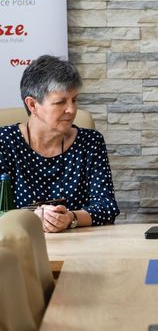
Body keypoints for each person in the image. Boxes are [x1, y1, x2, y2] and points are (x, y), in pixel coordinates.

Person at [0, 55, 120, 232]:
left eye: (74, 100)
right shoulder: (4, 142)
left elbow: (107, 207)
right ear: (32, 105)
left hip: (80, 243)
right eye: (60, 102)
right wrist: (31, 218)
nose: (71, 109)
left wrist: (70, 218)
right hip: (20, 244)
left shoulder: (90, 142)